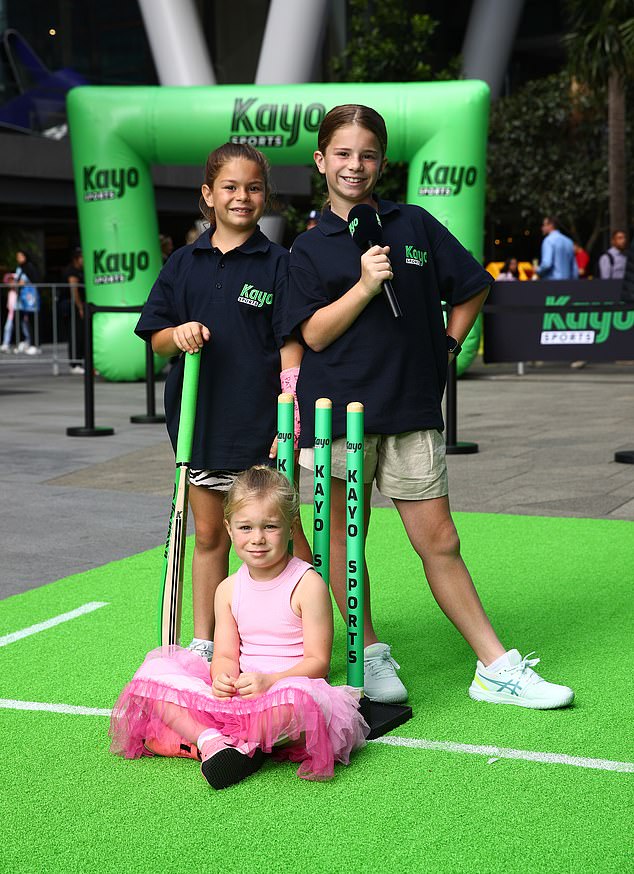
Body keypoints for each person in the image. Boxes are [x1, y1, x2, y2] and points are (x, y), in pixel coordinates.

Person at [287, 104, 575, 710]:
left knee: (439, 540)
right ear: (320, 161)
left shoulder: (413, 223)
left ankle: (495, 667)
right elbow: (312, 335)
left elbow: (473, 286)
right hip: (336, 416)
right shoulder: (307, 249)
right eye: (342, 153)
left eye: (366, 154)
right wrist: (365, 285)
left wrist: (446, 346)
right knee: (341, 539)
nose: (354, 165)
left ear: (382, 162)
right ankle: (366, 648)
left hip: (413, 410)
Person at [135, 142, 310, 665]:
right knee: (210, 534)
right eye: (230, 188)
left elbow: (289, 342)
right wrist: (178, 334)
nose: (242, 197)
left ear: (266, 196)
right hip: (199, 426)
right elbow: (155, 339)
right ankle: (207, 639)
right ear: (208, 195)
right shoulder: (183, 263)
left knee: (282, 533)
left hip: (261, 427)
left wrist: (290, 408)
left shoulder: (279, 262)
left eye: (253, 188)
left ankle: (301, 635)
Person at [109, 466, 368, 788]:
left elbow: (318, 663)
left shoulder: (307, 584)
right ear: (229, 529)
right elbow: (226, 654)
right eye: (246, 527)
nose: (257, 538)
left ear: (290, 528)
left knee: (299, 707)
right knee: (154, 673)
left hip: (286, 689)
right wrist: (222, 679)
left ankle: (238, 746)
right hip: (240, 693)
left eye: (270, 526)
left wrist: (269, 681)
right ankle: (211, 742)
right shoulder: (228, 589)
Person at [61, 247, 85, 374]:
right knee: (75, 334)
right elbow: (74, 290)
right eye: (82, 257)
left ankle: (79, 362)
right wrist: (80, 307)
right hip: (72, 307)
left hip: (76, 307)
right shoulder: (72, 271)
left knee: (81, 335)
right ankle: (75, 363)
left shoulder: (80, 270)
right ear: (77, 258)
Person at [13, 249, 40, 354]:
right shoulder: (19, 268)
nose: (18, 258)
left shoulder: (30, 267)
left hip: (30, 296)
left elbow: (35, 279)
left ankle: (35, 343)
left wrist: (24, 282)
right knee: (18, 318)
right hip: (20, 297)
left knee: (33, 320)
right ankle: (23, 340)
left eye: (20, 256)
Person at [0, 271, 17, 352]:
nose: (10, 283)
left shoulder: (19, 292)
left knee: (25, 328)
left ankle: (28, 342)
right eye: (9, 282)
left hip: (20, 312)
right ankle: (6, 343)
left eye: (12, 281)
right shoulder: (10, 292)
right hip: (11, 314)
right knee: (7, 327)